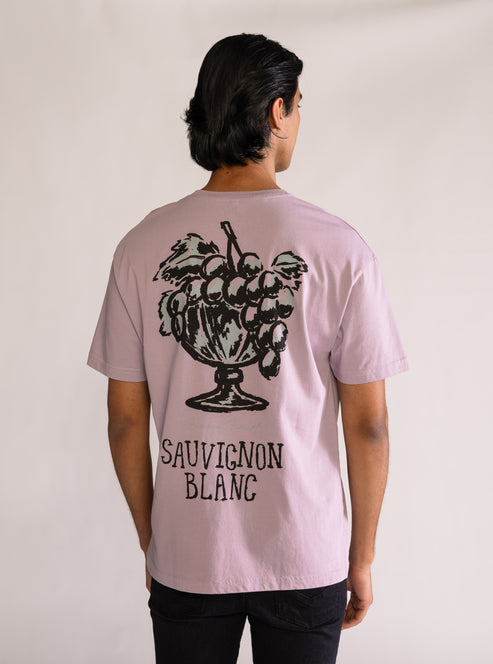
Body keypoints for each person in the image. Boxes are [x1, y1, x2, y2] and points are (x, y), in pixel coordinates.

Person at [87, 33, 408, 664]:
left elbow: (124, 419)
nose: (298, 121)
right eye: (298, 106)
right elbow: (368, 425)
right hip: (305, 555)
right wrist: (361, 559)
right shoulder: (341, 250)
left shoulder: (140, 246)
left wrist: (156, 542)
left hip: (189, 555)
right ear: (277, 111)